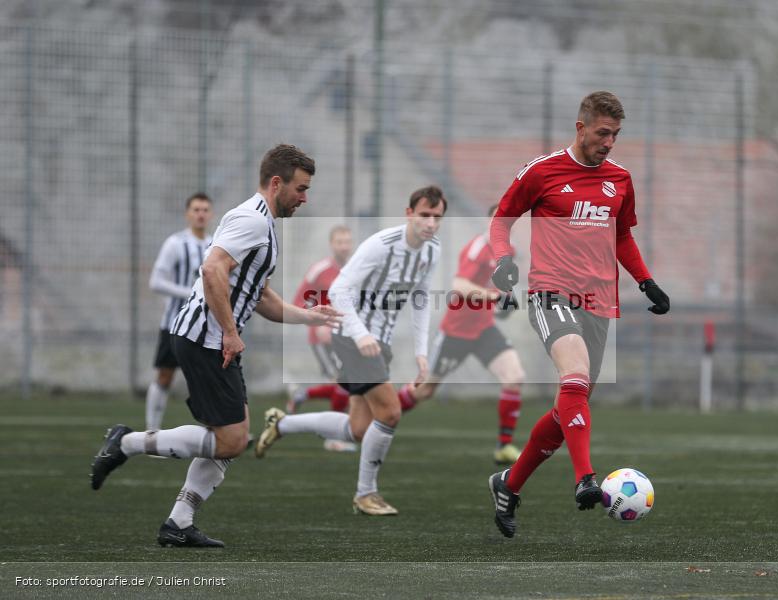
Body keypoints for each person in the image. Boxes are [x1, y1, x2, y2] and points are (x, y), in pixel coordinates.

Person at [90, 144, 341, 547]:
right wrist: (229, 331)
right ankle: (126, 443)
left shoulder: (261, 223)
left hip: (211, 339)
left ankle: (179, 522)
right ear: (277, 183)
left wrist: (308, 316)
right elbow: (212, 269)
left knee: (232, 437)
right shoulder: (252, 220)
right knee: (232, 440)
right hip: (205, 339)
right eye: (301, 189)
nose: (304, 198)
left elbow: (259, 296)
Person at [487, 91, 670, 538]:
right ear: (581, 127)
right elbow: (501, 220)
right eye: (603, 133)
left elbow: (621, 236)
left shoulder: (620, 179)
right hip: (551, 292)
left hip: (599, 302)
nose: (609, 142)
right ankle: (585, 478)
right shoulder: (542, 171)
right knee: (574, 380)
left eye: (616, 135)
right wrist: (502, 259)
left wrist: (645, 281)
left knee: (570, 406)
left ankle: (509, 484)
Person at [255, 185, 446, 516]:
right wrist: (360, 335)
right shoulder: (381, 245)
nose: (430, 223)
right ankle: (365, 494)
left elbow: (421, 299)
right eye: (424, 215)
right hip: (351, 335)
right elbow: (339, 290)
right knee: (390, 413)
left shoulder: (432, 250)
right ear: (409, 214)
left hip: (378, 342)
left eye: (437, 217)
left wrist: (421, 352)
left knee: (358, 429)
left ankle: (282, 424)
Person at [397, 203, 526, 465]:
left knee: (514, 377)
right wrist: (494, 297)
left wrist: (505, 301)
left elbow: (498, 286)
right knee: (425, 391)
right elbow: (459, 285)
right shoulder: (477, 248)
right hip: (456, 332)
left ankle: (504, 447)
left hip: (484, 329)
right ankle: (384, 412)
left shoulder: (508, 251)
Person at [145, 193, 213, 431]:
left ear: (211, 214)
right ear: (187, 214)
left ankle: (216, 429)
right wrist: (191, 293)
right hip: (174, 323)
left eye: (205, 210)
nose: (200, 214)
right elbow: (156, 282)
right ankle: (152, 430)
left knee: (208, 379)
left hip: (205, 326)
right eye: (196, 209)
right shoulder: (175, 244)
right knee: (165, 376)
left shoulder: (215, 245)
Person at [285, 225, 356, 452]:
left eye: (347, 242)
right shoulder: (319, 270)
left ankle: (303, 395)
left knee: (346, 384)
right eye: (339, 242)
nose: (344, 246)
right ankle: (334, 438)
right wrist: (316, 323)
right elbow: (299, 301)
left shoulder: (356, 269)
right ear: (331, 244)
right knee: (343, 384)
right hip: (323, 339)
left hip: (347, 338)